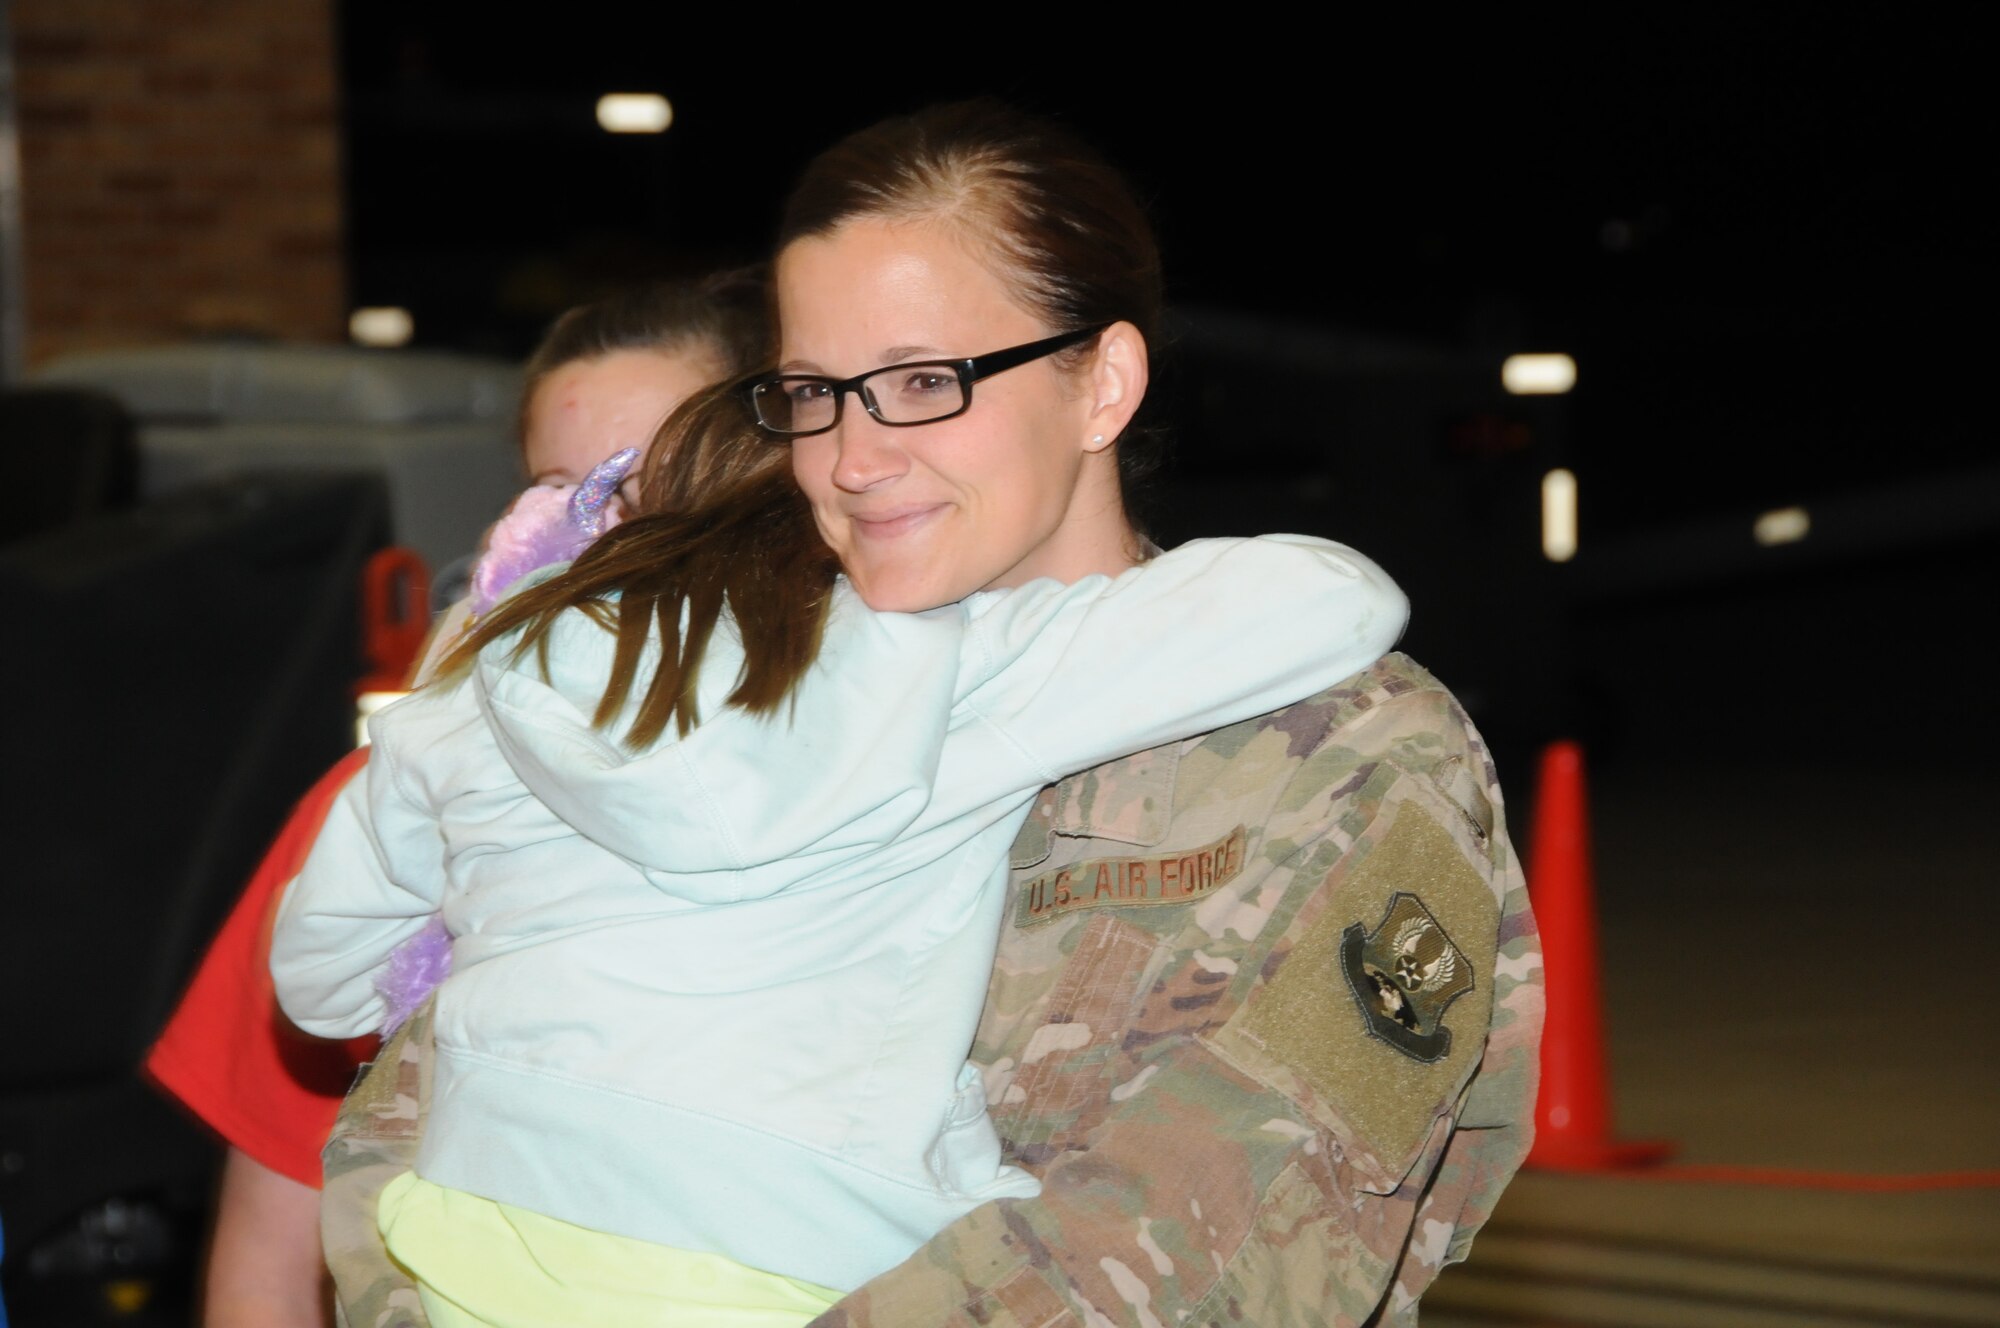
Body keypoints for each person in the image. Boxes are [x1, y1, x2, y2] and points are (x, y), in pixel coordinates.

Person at [321, 98, 1543, 1328]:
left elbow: (1200, 1242)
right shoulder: (693, 686)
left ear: (1102, 382)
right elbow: (422, 1101)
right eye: (813, 390)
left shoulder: (1335, 746)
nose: (853, 456)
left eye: (922, 381)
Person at [272, 366, 1407, 1325]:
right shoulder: (948, 671)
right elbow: (1337, 597)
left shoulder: (474, 684)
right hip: (808, 1246)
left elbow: (316, 987)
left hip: (486, 1223)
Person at [143, 272, 771, 1328]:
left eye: (653, 483)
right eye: (559, 486)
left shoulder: (874, 787)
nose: (603, 539)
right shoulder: (386, 804)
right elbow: (268, 1261)